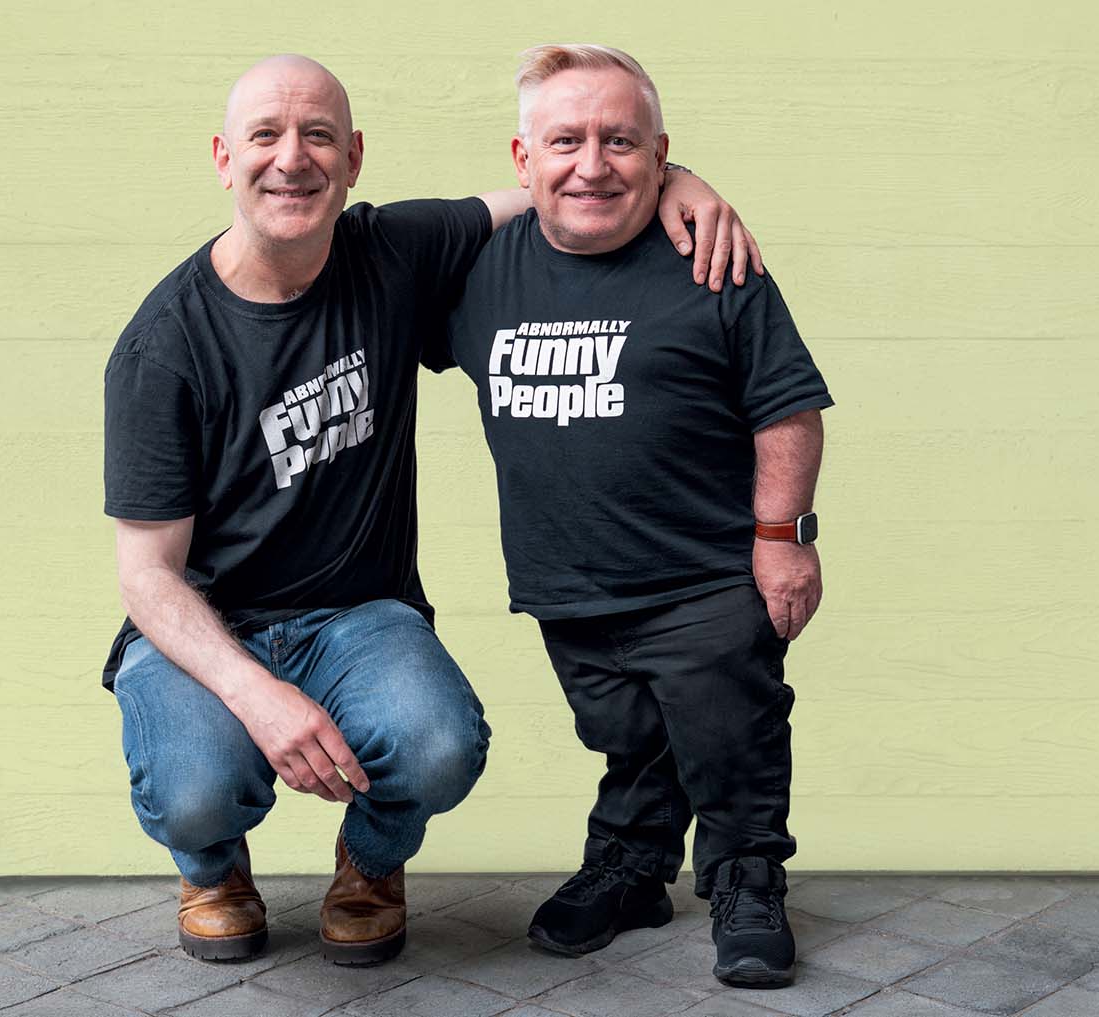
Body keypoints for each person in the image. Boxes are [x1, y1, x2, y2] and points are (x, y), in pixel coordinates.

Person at [101, 53, 762, 967]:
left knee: (440, 743)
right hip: (210, 626)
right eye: (265, 136)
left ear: (355, 157)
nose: (292, 159)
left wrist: (676, 177)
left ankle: (368, 864)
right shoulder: (165, 345)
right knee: (197, 786)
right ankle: (211, 868)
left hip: (360, 616)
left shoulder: (389, 251)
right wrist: (259, 696)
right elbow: (146, 576)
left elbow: (550, 185)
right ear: (223, 158)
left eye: (318, 136)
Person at [427, 45, 832, 988]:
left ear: (659, 153)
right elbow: (355, 274)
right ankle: (636, 866)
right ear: (522, 163)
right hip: (565, 581)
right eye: (565, 141)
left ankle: (746, 879)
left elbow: (788, 406)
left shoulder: (712, 257)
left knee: (728, 732)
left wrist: (783, 541)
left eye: (622, 141)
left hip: (707, 575)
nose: (593, 164)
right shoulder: (474, 272)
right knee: (630, 734)